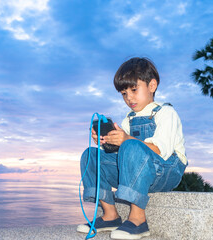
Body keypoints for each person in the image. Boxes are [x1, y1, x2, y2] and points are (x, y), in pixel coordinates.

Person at [77, 57, 187, 239]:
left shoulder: (166, 113)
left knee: (131, 146)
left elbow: (160, 150)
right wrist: (107, 141)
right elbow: (121, 153)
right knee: (91, 155)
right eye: (124, 93)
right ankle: (110, 215)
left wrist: (126, 140)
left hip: (165, 171)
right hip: (136, 172)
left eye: (134, 90)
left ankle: (138, 220)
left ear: (152, 85)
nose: (129, 98)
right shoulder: (128, 118)